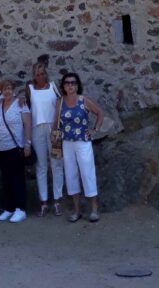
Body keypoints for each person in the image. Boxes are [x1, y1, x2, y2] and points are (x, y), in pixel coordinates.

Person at [54, 71, 103, 222]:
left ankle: (94, 209)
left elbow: (100, 113)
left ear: (77, 85)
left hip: (83, 142)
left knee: (87, 173)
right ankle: (77, 211)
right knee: (71, 176)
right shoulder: (60, 102)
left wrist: (94, 130)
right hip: (67, 143)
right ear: (63, 86)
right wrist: (54, 136)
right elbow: (55, 122)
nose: (70, 85)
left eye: (73, 83)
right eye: (67, 83)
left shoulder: (83, 100)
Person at [0, 77, 31, 223]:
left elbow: (27, 124)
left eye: (9, 88)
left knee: (17, 179)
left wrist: (27, 144)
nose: (6, 91)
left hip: (15, 147)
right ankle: (9, 208)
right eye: (4, 89)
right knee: (6, 179)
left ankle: (20, 209)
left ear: (13, 90)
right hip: (2, 149)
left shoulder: (20, 104)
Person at [26, 60, 64, 216]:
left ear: (46, 74)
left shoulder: (53, 87)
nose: (40, 77)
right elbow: (27, 107)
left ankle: (57, 200)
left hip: (54, 128)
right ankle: (43, 202)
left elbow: (61, 104)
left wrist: (56, 124)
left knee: (56, 163)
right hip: (37, 129)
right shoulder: (30, 89)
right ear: (34, 76)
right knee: (41, 166)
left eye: (42, 73)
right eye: (37, 74)